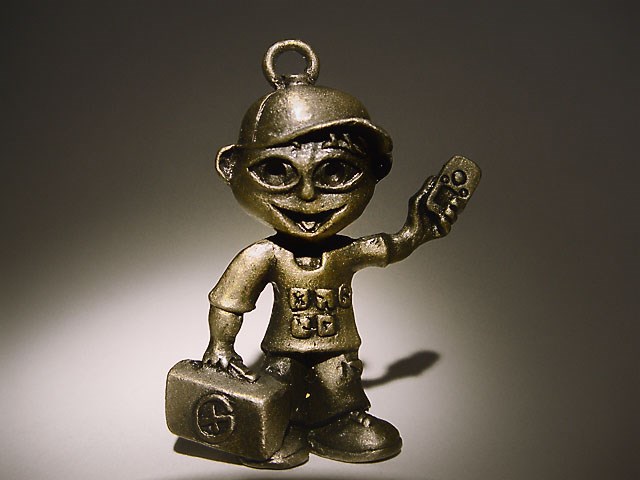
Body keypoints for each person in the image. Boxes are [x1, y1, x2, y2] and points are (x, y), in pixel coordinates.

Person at [202, 40, 478, 468]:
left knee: (340, 383)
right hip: (283, 352)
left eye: (336, 172)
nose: (307, 195)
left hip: (338, 347)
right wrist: (220, 347)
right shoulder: (264, 256)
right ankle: (279, 427)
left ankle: (338, 422)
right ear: (231, 168)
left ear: (376, 171)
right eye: (277, 171)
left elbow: (389, 247)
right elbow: (228, 303)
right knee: (277, 388)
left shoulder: (344, 253)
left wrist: (418, 230)